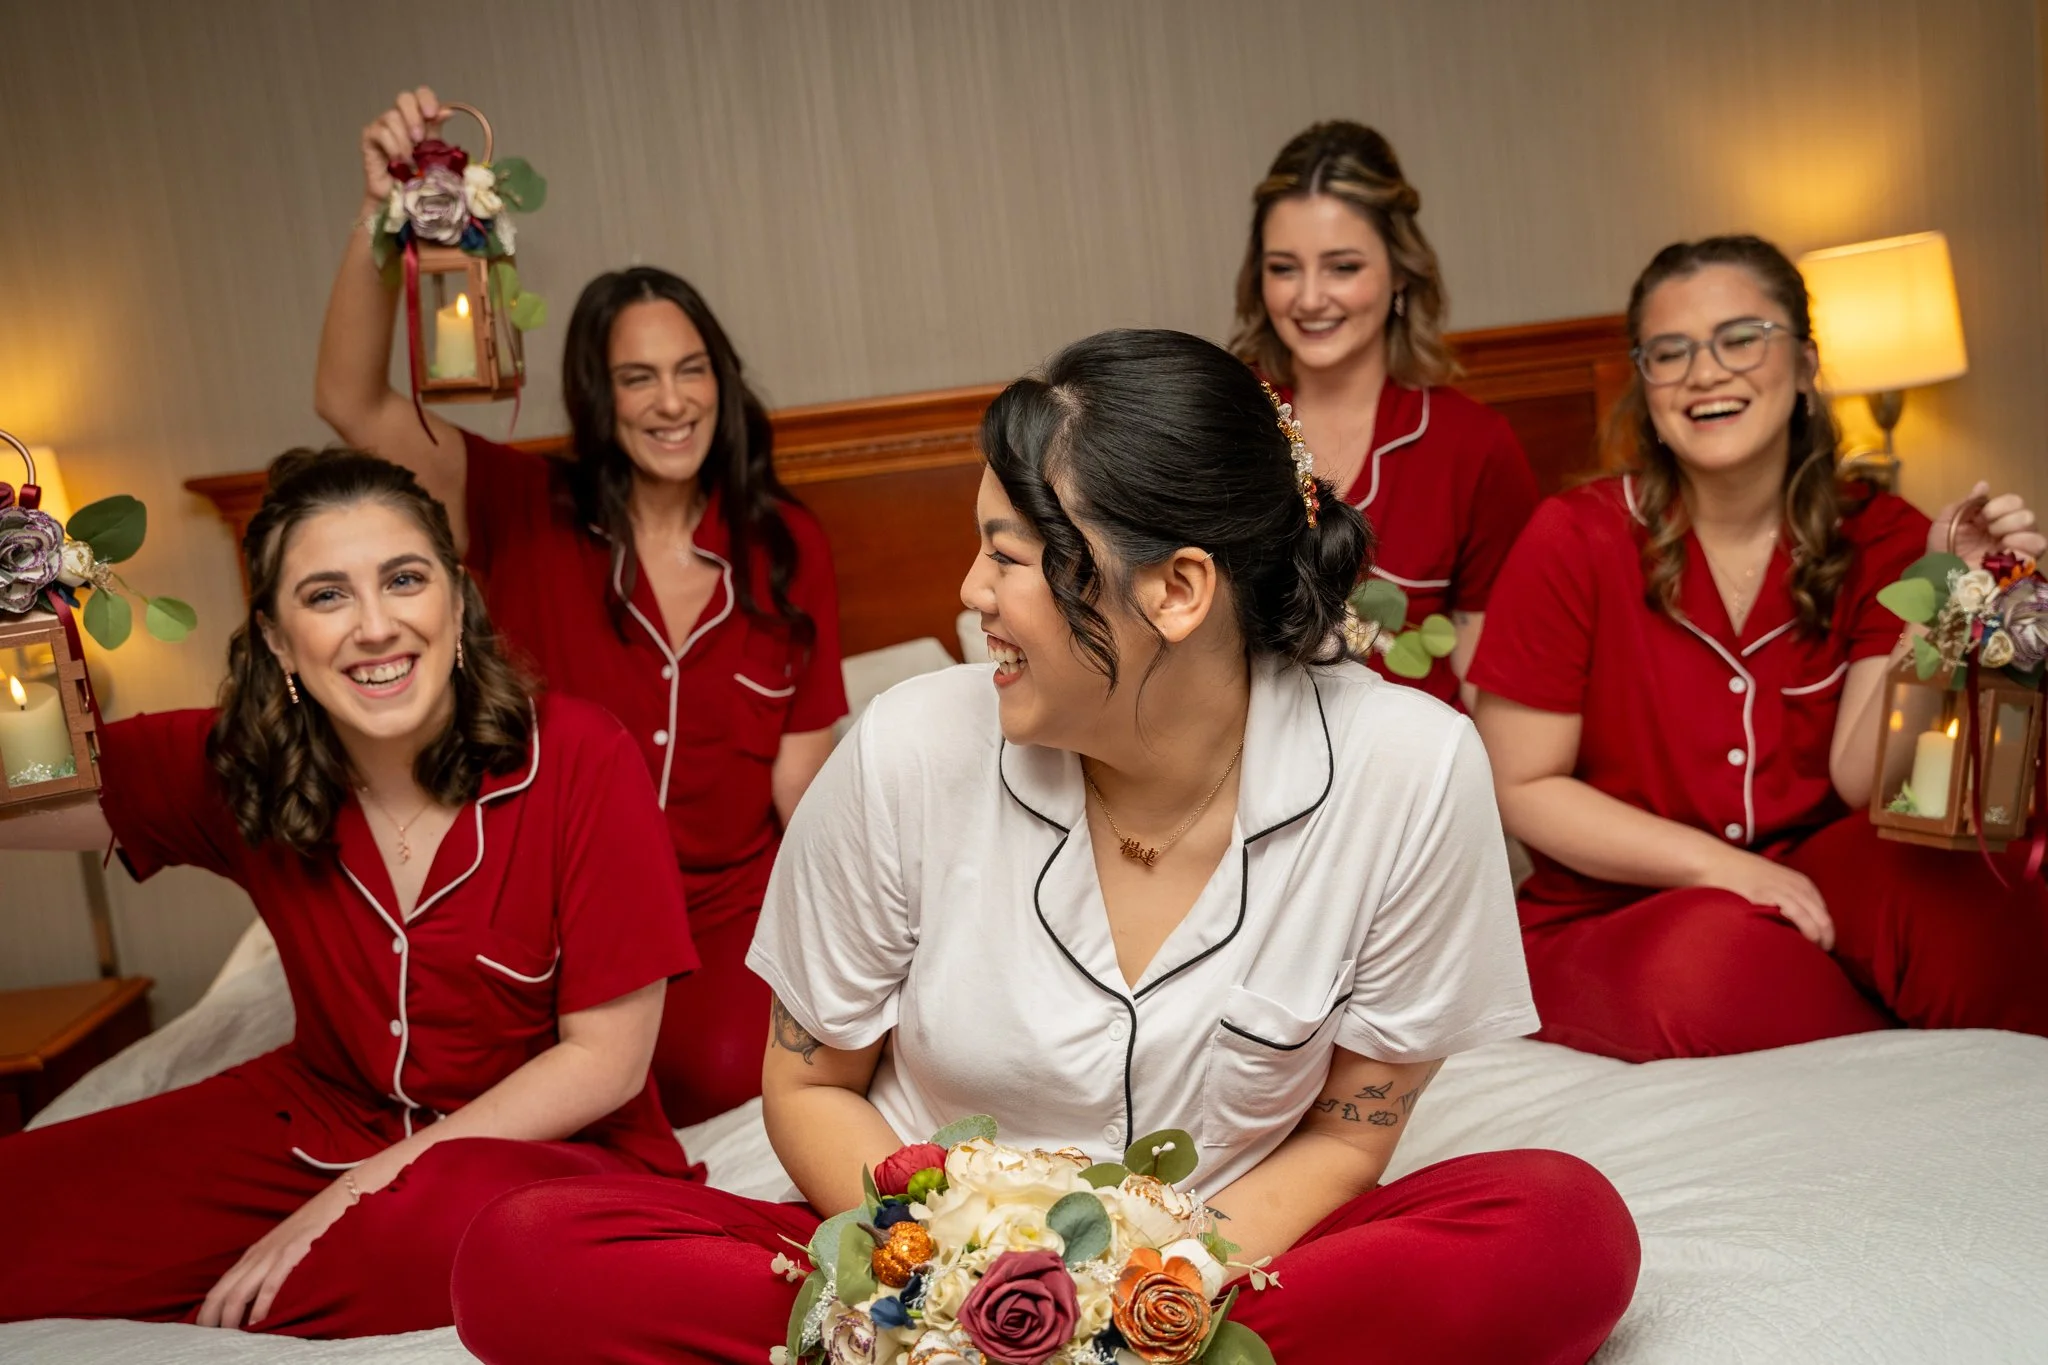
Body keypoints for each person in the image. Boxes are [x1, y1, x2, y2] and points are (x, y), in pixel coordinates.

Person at [447, 330, 1640, 1365]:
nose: (969, 591)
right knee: (525, 1257)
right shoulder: (908, 747)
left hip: (1214, 1276)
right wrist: (953, 1296)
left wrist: (1137, 1306)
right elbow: (809, 1085)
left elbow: (1350, 1130)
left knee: (1559, 1228)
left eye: (1008, 554)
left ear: (1176, 590)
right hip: (910, 1276)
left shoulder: (1409, 770)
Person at [0, 451, 697, 1336]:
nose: (375, 626)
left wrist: (362, 1189)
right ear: (280, 640)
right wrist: (19, 622)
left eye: (404, 580)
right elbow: (25, 795)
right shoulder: (239, 760)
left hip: (543, 1155)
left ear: (455, 600)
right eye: (327, 595)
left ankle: (269, 1282)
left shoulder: (585, 757)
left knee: (459, 1237)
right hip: (317, 1118)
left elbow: (606, 1060)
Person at [316, 87, 847, 1126]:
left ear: (721, 383)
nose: (672, 401)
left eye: (692, 371)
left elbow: (809, 791)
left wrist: (859, 961)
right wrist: (380, 219)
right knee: (492, 1075)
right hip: (543, 915)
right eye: (638, 377)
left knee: (727, 1070)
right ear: (598, 399)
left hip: (720, 921)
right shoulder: (517, 508)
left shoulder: (783, 546)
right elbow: (350, 401)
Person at [1469, 234, 2048, 1063]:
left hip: (1824, 878)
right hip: (1619, 906)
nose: (1706, 372)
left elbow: (1876, 780)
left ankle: (2015, 1098)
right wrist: (1725, 869)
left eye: (1742, 338)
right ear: (1648, 385)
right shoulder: (1574, 537)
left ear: (1807, 364)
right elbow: (1521, 786)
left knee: (1964, 884)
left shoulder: (1885, 534)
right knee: (1710, 963)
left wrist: (1953, 588)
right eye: (1671, 353)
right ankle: (1924, 1074)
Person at [1232, 120, 1538, 709]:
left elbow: (1491, 680)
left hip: (1417, 785)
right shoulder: (1226, 414)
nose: (1310, 298)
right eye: (1284, 268)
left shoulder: (1474, 445)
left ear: (1401, 271)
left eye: (1343, 267)